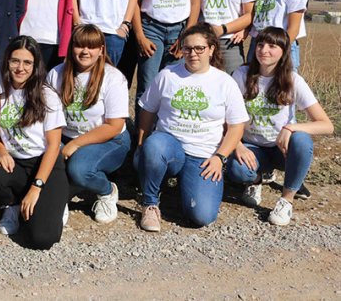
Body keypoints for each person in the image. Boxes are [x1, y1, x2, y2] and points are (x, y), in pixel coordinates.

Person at [135, 23, 248, 232]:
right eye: (187, 48)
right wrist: (142, 145)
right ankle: (150, 203)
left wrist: (220, 157)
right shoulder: (168, 75)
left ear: (212, 49)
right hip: (170, 146)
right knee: (154, 146)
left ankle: (185, 188)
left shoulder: (224, 82)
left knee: (201, 216)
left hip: (204, 155)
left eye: (199, 49)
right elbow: (148, 110)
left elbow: (236, 127)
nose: (193, 54)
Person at [228, 27, 333, 225]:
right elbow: (227, 116)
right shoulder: (241, 74)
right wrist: (237, 145)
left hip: (281, 150)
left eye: (272, 46)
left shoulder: (293, 80)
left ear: (284, 51)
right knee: (236, 169)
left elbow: (326, 125)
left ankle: (286, 200)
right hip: (252, 147)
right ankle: (256, 180)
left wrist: (291, 128)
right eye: (260, 44)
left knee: (302, 140)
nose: (264, 50)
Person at [0, 36, 68, 249]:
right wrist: (2, 151)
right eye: (15, 61)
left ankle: (53, 204)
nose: (20, 68)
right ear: (7, 61)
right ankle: (14, 204)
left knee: (41, 239)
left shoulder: (47, 95)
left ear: (35, 66)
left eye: (27, 62)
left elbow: (54, 146)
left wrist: (36, 187)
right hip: (15, 164)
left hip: (45, 165)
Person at [47, 25, 130, 224]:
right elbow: (49, 115)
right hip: (66, 136)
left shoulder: (113, 78)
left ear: (101, 50)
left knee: (79, 169)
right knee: (45, 157)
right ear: (71, 47)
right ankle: (61, 196)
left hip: (108, 139)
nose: (85, 51)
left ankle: (107, 191)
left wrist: (74, 146)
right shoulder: (56, 74)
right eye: (79, 46)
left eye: (91, 47)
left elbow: (114, 126)